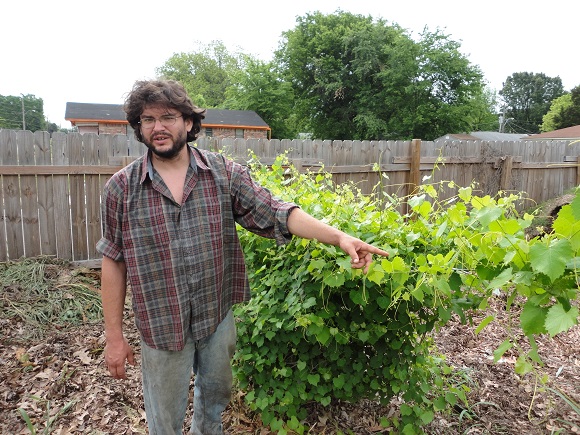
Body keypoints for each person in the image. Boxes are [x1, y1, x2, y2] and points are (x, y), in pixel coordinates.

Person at [97, 79, 389, 435]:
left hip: (217, 317)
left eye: (168, 116)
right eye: (147, 119)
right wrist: (114, 335)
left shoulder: (223, 174)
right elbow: (113, 261)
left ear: (188, 123)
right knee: (164, 421)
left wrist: (339, 236)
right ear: (139, 128)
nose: (158, 127)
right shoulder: (121, 189)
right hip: (161, 326)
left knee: (214, 402)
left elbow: (276, 212)